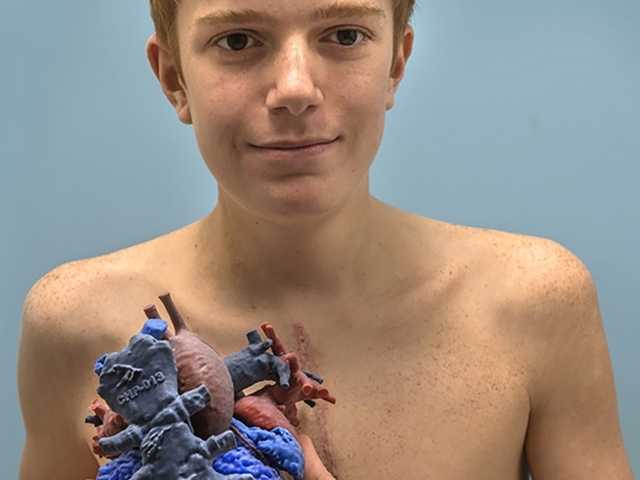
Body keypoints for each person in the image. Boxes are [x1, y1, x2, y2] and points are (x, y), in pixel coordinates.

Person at [17, 0, 634, 479]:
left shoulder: (532, 303)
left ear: (396, 63)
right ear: (174, 76)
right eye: (237, 40)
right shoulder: (76, 320)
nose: (294, 89)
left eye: (344, 35)